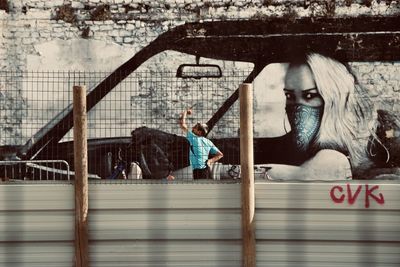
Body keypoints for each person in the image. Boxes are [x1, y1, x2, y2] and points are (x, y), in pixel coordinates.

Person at [263, 52, 381, 180]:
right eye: (289, 96)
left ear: (332, 97)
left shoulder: (373, 142)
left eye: (309, 96)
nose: (298, 107)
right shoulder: (282, 147)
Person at [179, 108, 223, 179]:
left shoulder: (193, 138)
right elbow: (220, 155)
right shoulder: (208, 142)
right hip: (207, 171)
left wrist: (185, 112)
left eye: (195, 127)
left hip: (199, 172)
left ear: (199, 132)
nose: (193, 128)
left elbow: (182, 125)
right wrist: (210, 161)